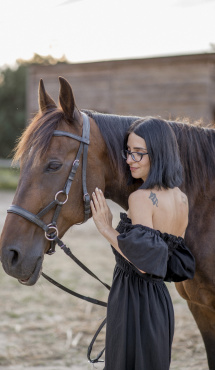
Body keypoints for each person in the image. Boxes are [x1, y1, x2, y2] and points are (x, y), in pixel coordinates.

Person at [90, 117, 196, 370]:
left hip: (133, 301)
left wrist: (105, 227)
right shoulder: (181, 198)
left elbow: (143, 263)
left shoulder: (140, 199)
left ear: (159, 153)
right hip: (159, 303)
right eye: (129, 152)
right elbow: (165, 262)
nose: (129, 160)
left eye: (138, 153)